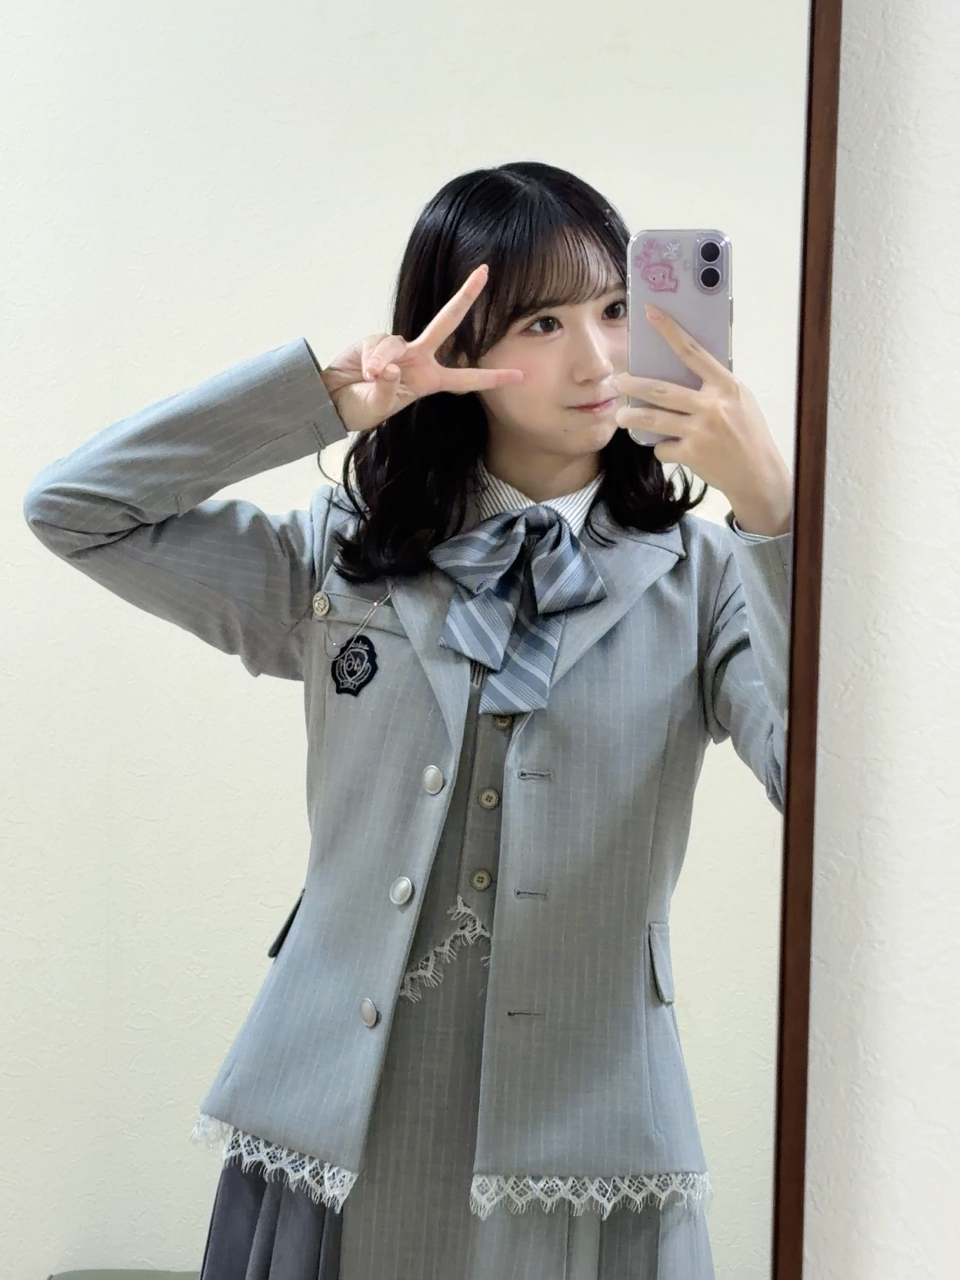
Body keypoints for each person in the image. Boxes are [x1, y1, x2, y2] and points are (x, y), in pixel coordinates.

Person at [22, 161, 793, 1280]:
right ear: (464, 339)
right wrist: (329, 398)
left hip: (588, 1133)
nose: (597, 359)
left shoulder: (709, 574)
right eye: (543, 321)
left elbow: (817, 785)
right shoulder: (343, 552)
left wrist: (772, 512)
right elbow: (75, 509)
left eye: (617, 308)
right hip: (340, 1119)